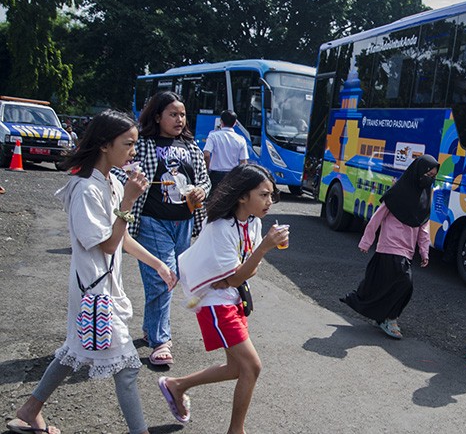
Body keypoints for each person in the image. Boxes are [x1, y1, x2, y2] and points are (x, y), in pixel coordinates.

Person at [6, 110, 177, 434]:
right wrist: (128, 201)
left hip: (100, 288)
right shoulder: (86, 188)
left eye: (135, 144)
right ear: (103, 145)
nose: (133, 152)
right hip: (93, 292)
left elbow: (121, 237)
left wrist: (157, 263)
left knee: (72, 351)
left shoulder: (109, 180)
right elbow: (109, 245)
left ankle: (29, 410)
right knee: (126, 369)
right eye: (128, 144)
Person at [157, 164, 288, 433]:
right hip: (214, 302)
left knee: (236, 368)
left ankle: (177, 385)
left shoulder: (253, 222)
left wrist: (236, 273)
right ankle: (235, 431)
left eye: (271, 195)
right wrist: (261, 250)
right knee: (252, 367)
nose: (269, 202)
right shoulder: (220, 227)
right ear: (242, 196)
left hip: (229, 296)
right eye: (263, 195)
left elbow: (247, 271)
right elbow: (242, 274)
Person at [111, 91, 211, 367]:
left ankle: (151, 327)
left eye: (182, 114)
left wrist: (201, 191)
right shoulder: (143, 144)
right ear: (157, 117)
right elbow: (122, 171)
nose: (179, 120)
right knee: (162, 278)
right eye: (172, 114)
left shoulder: (191, 146)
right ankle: (160, 341)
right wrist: (133, 180)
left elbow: (204, 179)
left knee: (172, 277)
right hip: (152, 221)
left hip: (185, 222)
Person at [340, 154, 439, 339]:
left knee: (388, 285)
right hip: (390, 245)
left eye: (433, 176)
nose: (430, 179)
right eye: (428, 174)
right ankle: (391, 318)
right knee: (405, 282)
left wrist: (424, 252)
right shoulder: (397, 193)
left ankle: (383, 316)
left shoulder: (425, 199)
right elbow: (377, 217)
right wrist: (366, 241)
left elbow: (424, 229)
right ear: (418, 171)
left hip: (407, 250)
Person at [204, 110, 249, 192]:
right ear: (235, 123)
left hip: (215, 175)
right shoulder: (241, 139)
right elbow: (244, 162)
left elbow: (206, 155)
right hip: (232, 175)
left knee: (213, 200)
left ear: (221, 121)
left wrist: (206, 170)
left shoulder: (213, 136)